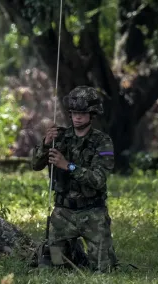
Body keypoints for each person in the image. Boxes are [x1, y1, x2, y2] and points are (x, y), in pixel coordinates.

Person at [31, 85, 120, 272]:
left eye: (82, 112)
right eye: (74, 112)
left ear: (92, 114)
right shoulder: (60, 137)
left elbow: (98, 180)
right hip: (63, 213)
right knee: (51, 265)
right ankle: (73, 252)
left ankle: (81, 254)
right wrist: (46, 144)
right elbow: (36, 165)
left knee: (104, 269)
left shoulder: (102, 141)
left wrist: (68, 165)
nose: (77, 116)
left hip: (93, 213)